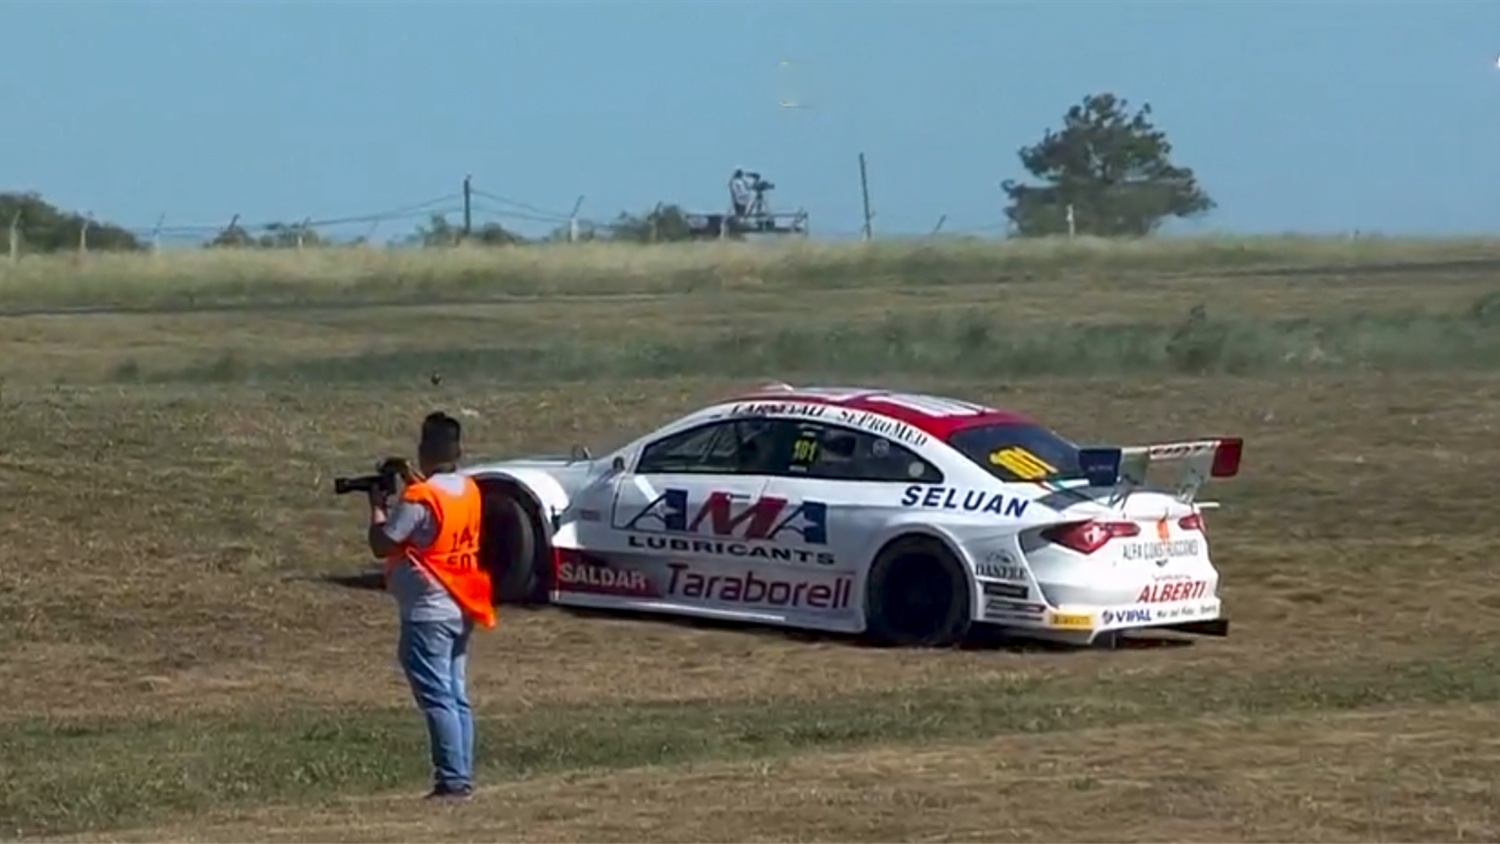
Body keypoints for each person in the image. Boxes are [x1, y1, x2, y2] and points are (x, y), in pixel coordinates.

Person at [366, 411, 495, 800]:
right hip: (461, 601)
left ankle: (453, 781)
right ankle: (461, 774)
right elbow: (437, 514)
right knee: (454, 693)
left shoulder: (420, 498)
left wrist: (377, 506)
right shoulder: (468, 488)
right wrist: (408, 477)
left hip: (428, 610)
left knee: (437, 696)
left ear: (424, 448)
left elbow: (383, 543)